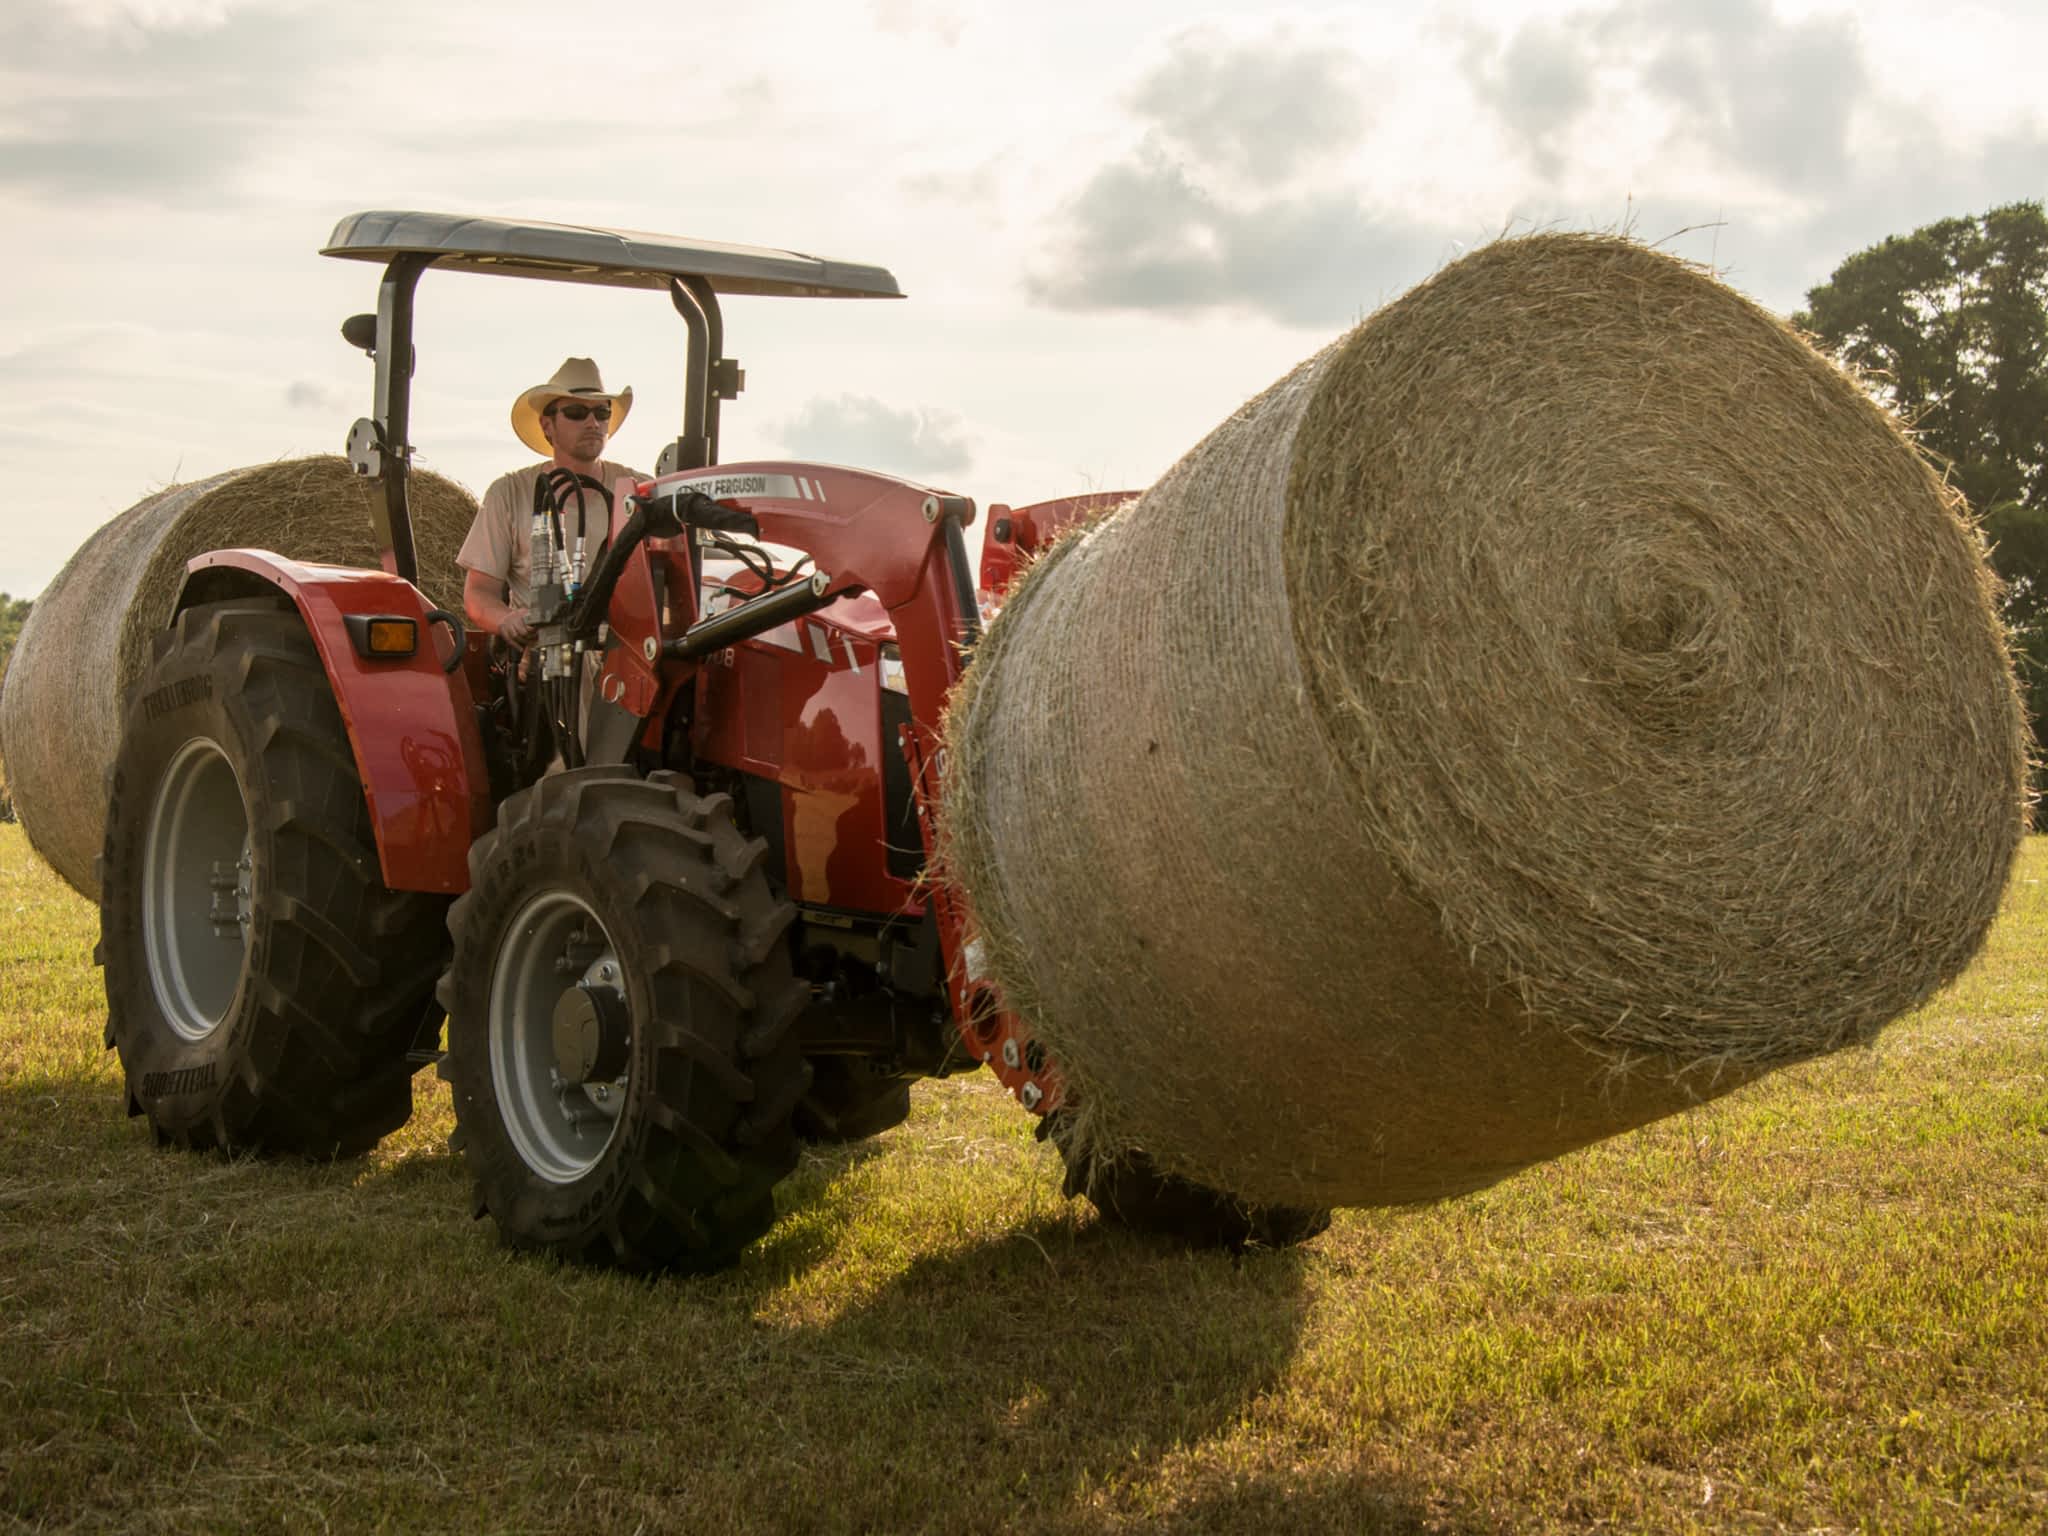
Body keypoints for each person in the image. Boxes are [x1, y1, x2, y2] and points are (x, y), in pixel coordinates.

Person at [458, 357, 647, 646]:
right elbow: (479, 592)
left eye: (601, 412)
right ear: (547, 425)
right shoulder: (510, 493)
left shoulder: (639, 490)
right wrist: (508, 620)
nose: (592, 422)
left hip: (627, 660)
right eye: (576, 412)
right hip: (546, 669)